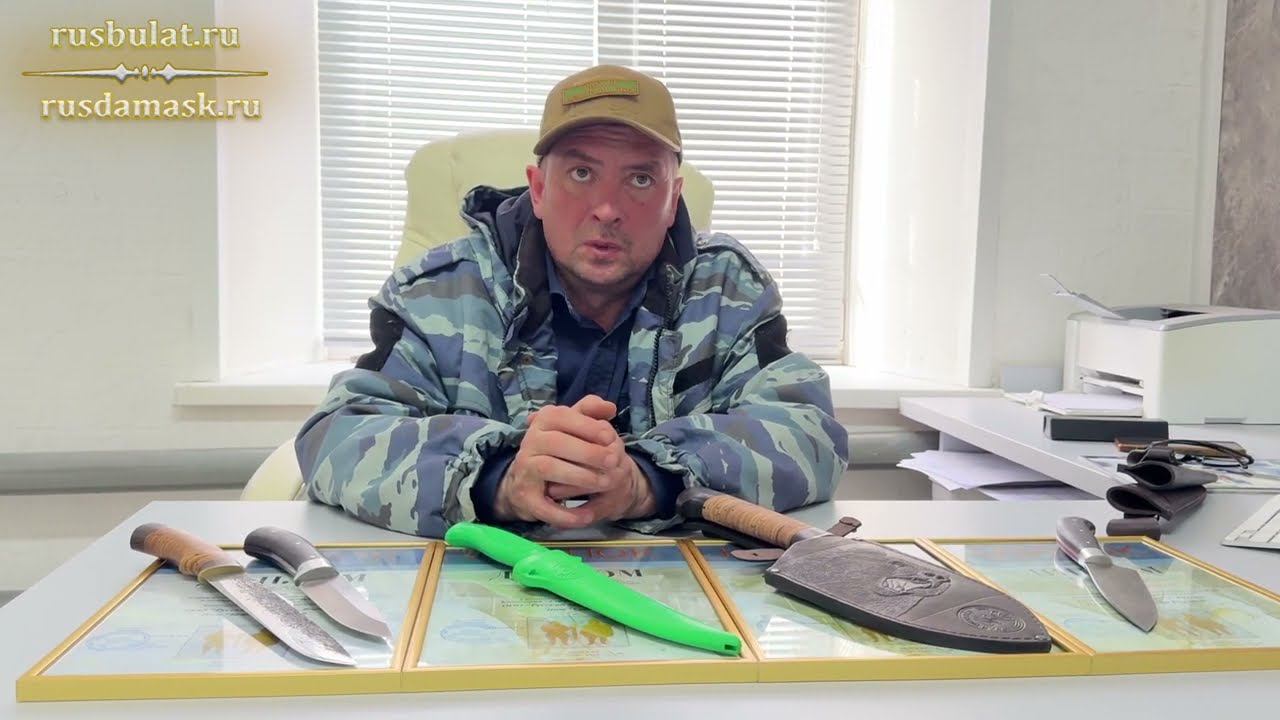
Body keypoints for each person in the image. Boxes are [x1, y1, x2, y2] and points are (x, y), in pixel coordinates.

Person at [297, 65, 849, 537]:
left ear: (673, 198)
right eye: (581, 173)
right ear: (538, 189)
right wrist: (499, 479)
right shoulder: (436, 292)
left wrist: (647, 480)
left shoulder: (728, 290)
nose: (607, 208)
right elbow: (337, 436)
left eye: (640, 179)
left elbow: (809, 431)